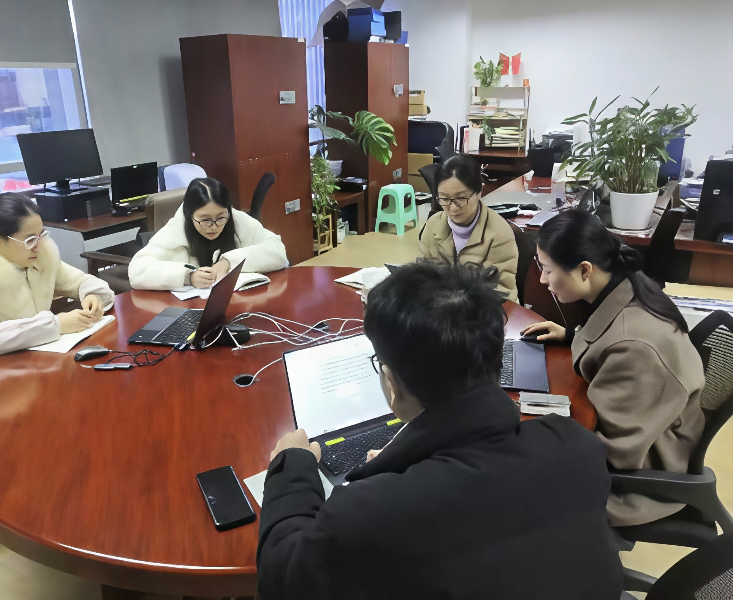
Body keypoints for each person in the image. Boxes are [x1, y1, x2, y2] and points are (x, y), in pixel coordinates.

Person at [256, 262, 623, 600]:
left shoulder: (367, 514)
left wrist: (292, 467)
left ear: (392, 385)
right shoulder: (578, 448)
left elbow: (283, 577)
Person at [521, 209, 705, 527]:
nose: (542, 280)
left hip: (642, 475)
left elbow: (614, 453)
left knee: (513, 481)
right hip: (648, 433)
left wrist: (529, 432)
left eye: (548, 270)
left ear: (584, 270)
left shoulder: (634, 346)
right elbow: (609, 339)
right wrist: (571, 336)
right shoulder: (626, 284)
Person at [0, 193, 114, 378]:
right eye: (29, 240)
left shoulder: (41, 258)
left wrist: (91, 294)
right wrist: (55, 325)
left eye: (41, 235)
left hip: (30, 362)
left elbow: (85, 282)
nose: (38, 246)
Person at [129, 177, 288, 290]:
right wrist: (188, 276)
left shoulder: (236, 219)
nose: (214, 226)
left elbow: (278, 250)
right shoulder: (175, 230)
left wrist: (228, 262)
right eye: (205, 220)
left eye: (220, 218)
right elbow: (137, 270)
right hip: (190, 313)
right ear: (189, 215)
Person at [419, 154, 519, 301]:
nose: (453, 207)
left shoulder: (499, 233)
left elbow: (501, 291)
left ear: (479, 192)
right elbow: (425, 274)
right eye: (445, 199)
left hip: (488, 307)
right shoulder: (433, 225)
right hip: (444, 305)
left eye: (461, 198)